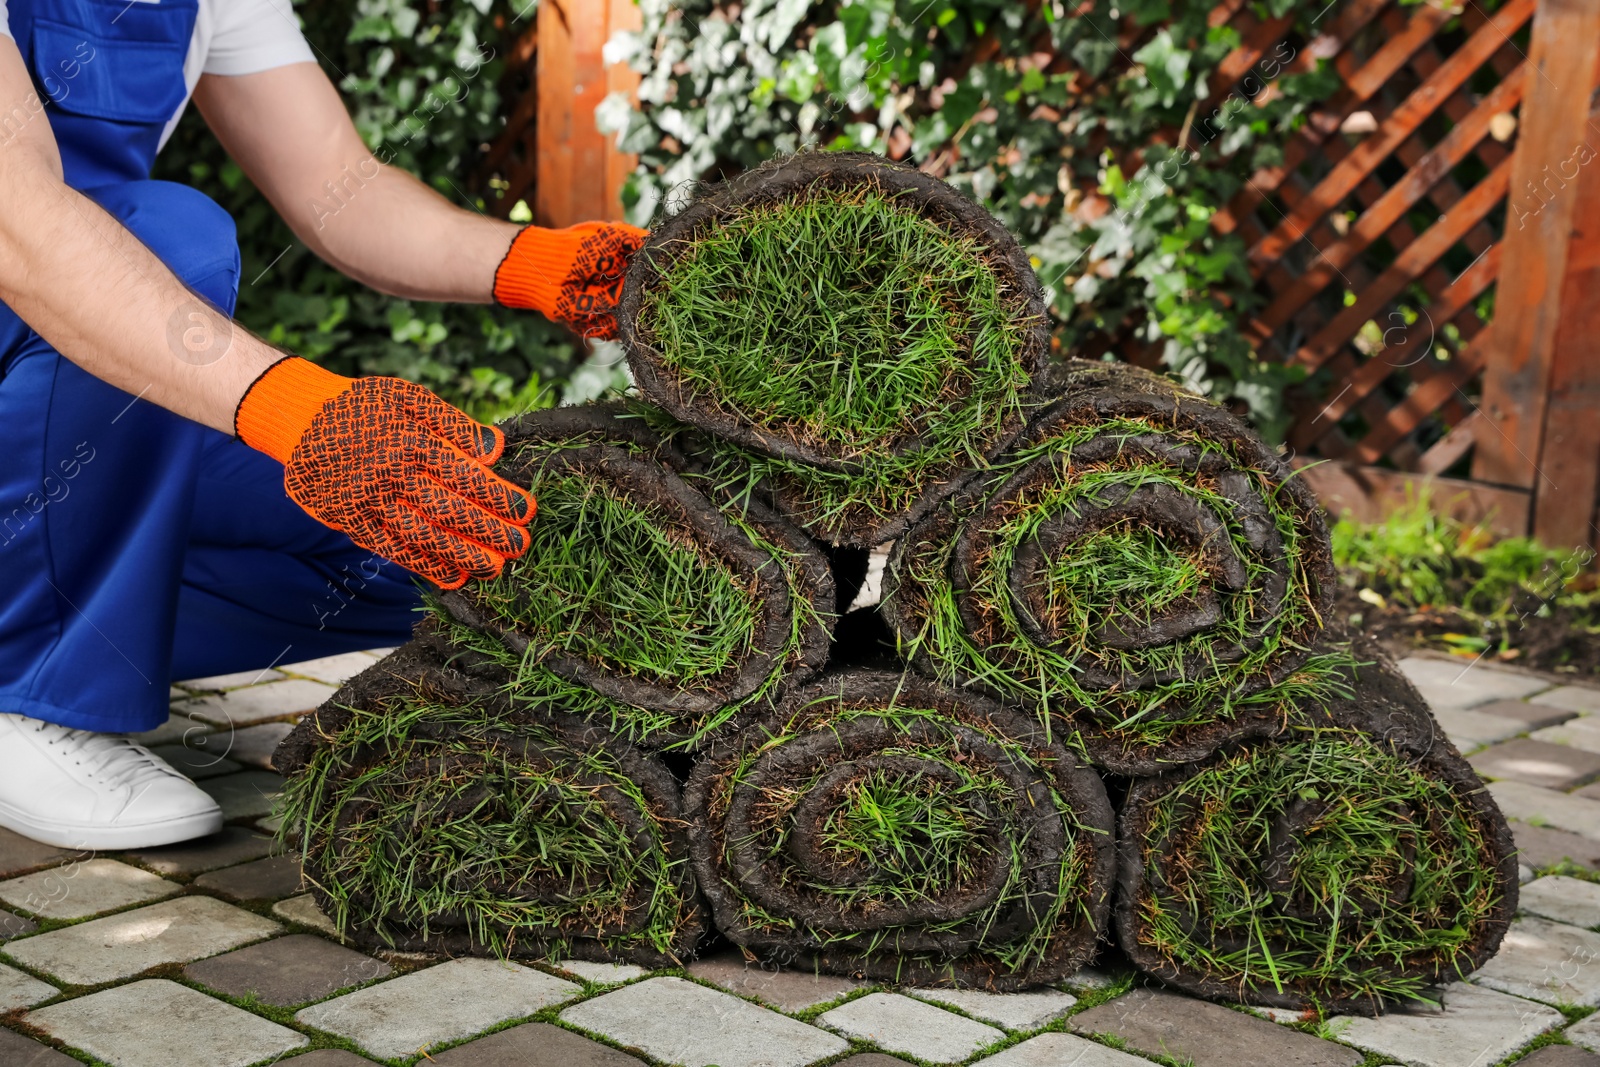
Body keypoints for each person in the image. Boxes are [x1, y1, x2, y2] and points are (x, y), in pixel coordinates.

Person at [0, 0, 646, 849]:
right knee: (173, 237)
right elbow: (20, 225)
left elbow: (344, 189)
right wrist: (292, 407)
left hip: (82, 418)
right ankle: (27, 691)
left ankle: (84, 631)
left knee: (424, 533)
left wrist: (534, 263)